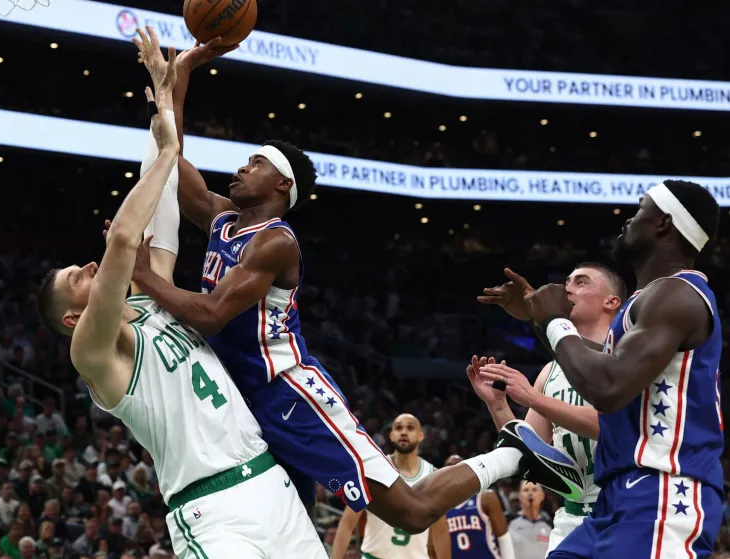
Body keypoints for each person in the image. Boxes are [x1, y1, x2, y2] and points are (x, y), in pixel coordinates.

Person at [125, 31, 584, 534]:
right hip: (241, 397)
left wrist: (144, 275)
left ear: (282, 185)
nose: (240, 167)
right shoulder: (222, 217)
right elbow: (169, 161)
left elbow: (213, 313)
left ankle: (511, 456)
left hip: (287, 392)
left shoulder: (276, 242)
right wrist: (181, 79)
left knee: (407, 512)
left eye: (255, 162)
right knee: (283, 525)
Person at [36, 32, 325, 558]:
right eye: (76, 278)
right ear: (75, 318)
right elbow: (125, 239)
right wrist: (169, 144)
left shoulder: (152, 298)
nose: (87, 266)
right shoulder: (96, 352)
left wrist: (165, 93)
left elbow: (161, 192)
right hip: (209, 508)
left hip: (269, 482)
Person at [494, 180, 723, 558]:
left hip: (663, 490)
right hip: (614, 497)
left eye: (640, 210)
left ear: (664, 223)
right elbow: (602, 363)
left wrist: (554, 321)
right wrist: (539, 319)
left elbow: (609, 387)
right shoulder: (648, 301)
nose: (628, 219)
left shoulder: (677, 294)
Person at [470, 263, 625, 551]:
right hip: (570, 519)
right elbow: (531, 451)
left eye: (581, 282)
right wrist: (498, 405)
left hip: (624, 513)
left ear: (611, 301)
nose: (567, 288)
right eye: (566, 281)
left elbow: (611, 426)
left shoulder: (629, 355)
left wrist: (531, 397)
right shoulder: (550, 371)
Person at [331, 414, 450, 559]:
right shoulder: (373, 470)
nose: (404, 432)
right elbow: (348, 523)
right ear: (392, 435)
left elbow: (440, 531)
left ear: (420, 436)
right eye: (399, 428)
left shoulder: (433, 476)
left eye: (410, 428)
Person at [442, 456, 512, 559]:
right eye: (449, 468)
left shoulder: (485, 498)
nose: (454, 471)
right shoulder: (439, 509)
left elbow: (503, 538)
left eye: (458, 467)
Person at [507, 482, 552, 559]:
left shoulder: (551, 525)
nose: (530, 493)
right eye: (526, 490)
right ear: (519, 496)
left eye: (534, 490)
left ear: (542, 495)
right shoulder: (508, 521)